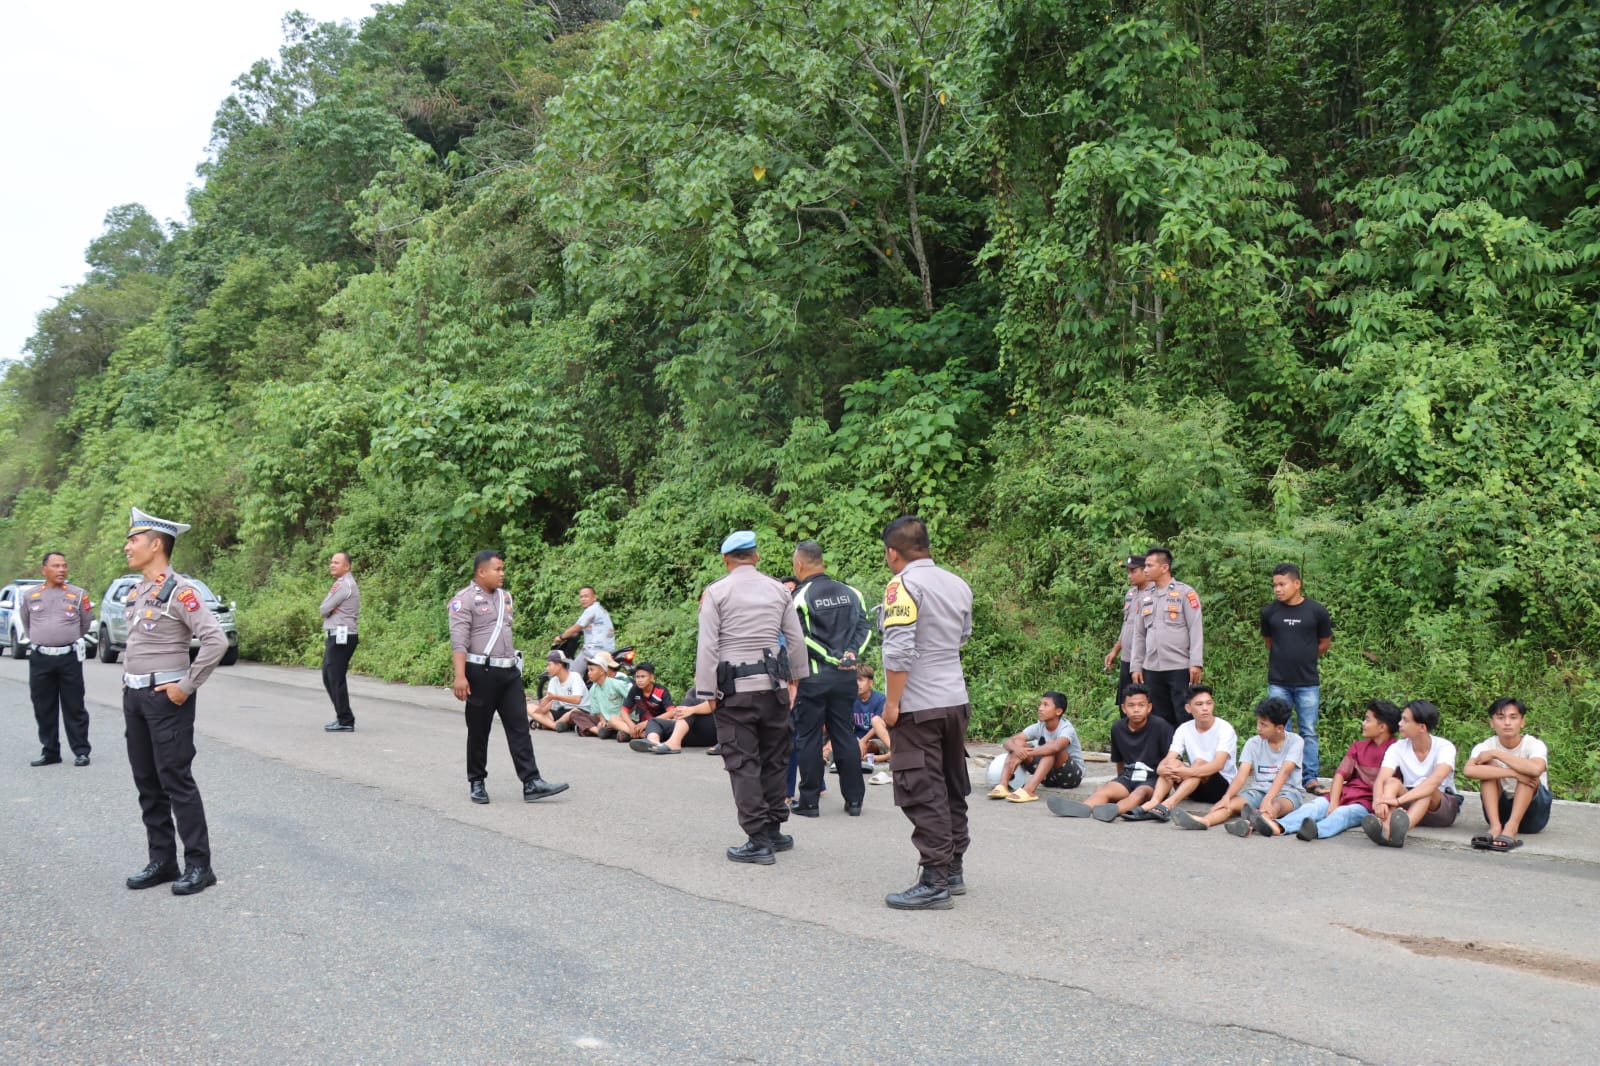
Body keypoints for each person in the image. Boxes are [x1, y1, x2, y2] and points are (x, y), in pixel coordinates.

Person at [118, 507, 229, 896]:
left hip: (167, 700)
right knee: (147, 782)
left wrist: (186, 686)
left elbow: (215, 641)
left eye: (134, 540)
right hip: (136, 697)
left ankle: (199, 865)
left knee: (176, 780)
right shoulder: (138, 591)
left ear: (156, 545)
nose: (127, 546)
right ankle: (163, 861)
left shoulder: (181, 591)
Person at [691, 530, 808, 865]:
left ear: (726, 560)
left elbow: (708, 645)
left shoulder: (716, 592)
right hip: (774, 689)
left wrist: (707, 692)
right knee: (774, 759)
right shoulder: (778, 589)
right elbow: (795, 639)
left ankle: (758, 840)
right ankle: (773, 829)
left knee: (743, 764)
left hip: (735, 693)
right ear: (756, 556)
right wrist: (795, 681)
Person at [447, 550, 568, 806]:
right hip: (481, 672)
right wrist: (460, 676)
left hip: (509, 672)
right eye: (497, 569)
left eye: (503, 569)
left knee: (519, 726)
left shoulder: (505, 597)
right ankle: (477, 782)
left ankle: (531, 782)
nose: (502, 574)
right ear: (482, 572)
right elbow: (459, 642)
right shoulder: (463, 600)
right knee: (479, 730)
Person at [790, 540, 873, 818]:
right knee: (844, 735)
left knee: (809, 737)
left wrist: (830, 656)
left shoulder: (799, 597)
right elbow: (864, 628)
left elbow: (799, 638)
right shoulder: (851, 592)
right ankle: (855, 801)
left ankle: (809, 802)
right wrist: (851, 655)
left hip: (814, 678)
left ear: (799, 564)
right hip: (846, 678)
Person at [1269, 699, 1400, 841]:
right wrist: (1333, 802)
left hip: (1366, 803)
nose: (1363, 723)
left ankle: (1315, 830)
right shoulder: (1359, 747)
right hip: (1346, 793)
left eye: (1368, 720)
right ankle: (1279, 826)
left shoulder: (1397, 750)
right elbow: (1340, 775)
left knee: (1343, 814)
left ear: (1382, 727)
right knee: (1315, 806)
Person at [1171, 697, 1304, 835]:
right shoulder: (1253, 743)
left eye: (1264, 725)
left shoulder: (1295, 742)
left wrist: (1268, 798)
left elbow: (1284, 772)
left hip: (1287, 792)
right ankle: (1204, 821)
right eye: (1258, 723)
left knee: (1274, 806)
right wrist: (1227, 796)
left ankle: (1250, 825)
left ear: (1279, 728)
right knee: (1229, 805)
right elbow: (1241, 775)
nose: (1258, 728)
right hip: (1258, 791)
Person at [1047, 686, 1172, 822]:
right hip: (1128, 776)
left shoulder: (1161, 726)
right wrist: (1119, 782)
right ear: (1124, 708)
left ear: (1149, 707)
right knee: (1104, 791)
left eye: (1141, 705)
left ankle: (1115, 810)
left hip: (1153, 779)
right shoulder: (1118, 728)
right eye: (1131, 705)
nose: (1136, 709)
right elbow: (1119, 761)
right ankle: (1083, 808)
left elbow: (1170, 760)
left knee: (1139, 794)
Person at [1260, 563, 1333, 794]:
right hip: (1278, 682)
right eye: (1275, 585)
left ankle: (1309, 778)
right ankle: (1283, 777)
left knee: (1308, 730)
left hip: (1307, 682)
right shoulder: (1269, 612)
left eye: (1282, 584)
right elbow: (1270, 642)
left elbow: (1324, 643)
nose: (1277, 589)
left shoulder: (1316, 611)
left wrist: (1306, 657)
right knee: (1280, 729)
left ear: (1297, 583)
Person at [1123, 684, 1237, 822]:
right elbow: (1170, 757)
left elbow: (1218, 764)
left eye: (1209, 703)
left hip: (1221, 789)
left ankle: (1168, 804)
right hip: (1193, 786)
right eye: (1199, 704)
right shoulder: (1184, 729)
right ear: (1188, 708)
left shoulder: (1224, 729)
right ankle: (1154, 802)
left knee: (1199, 762)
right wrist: (1162, 768)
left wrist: (1187, 772)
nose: (1205, 708)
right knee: (1173, 762)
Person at [23, 551, 93, 768]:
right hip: (40, 659)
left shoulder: (78, 594)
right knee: (43, 706)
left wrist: (65, 638)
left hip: (68, 658)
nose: (61, 570)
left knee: (75, 706)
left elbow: (85, 624)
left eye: (64, 565)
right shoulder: (30, 596)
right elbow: (27, 623)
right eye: (56, 566)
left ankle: (81, 751)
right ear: (43, 570)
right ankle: (50, 751)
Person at [1364, 699, 1462, 847]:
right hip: (1411, 803)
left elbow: (1435, 781)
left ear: (1422, 727)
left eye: (1405, 720)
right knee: (1391, 782)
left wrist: (1398, 801)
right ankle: (1387, 829)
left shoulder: (1444, 747)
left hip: (1441, 807)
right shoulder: (1397, 747)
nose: (1399, 724)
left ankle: (1399, 831)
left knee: (1425, 787)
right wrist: (1379, 801)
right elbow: (1382, 778)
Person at [1462, 697, 1551, 852]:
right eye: (1501, 717)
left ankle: (1511, 829)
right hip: (1500, 811)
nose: (1507, 723)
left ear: (1522, 722)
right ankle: (1495, 827)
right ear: (1492, 722)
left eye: (1513, 717)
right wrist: (1513, 773)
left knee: (1528, 772)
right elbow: (1468, 770)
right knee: (1487, 767)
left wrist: (1497, 754)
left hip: (1533, 815)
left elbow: (1537, 769)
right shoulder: (1485, 745)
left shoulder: (1534, 744)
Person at [1128, 546, 1203, 727]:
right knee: (1158, 718)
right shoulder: (1144, 597)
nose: (1145, 570)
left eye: (1149, 566)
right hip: (1152, 667)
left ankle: (1186, 746)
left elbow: (1195, 628)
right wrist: (1136, 665)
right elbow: (1139, 634)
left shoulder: (1185, 593)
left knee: (1184, 714)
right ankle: (1165, 746)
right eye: (1145, 566)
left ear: (1164, 567)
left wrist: (1195, 662)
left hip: (1179, 665)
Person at [986, 692, 1083, 803]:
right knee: (1018, 743)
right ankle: (1003, 785)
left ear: (1058, 711)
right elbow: (1008, 742)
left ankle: (1029, 790)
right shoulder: (1039, 726)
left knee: (1050, 746)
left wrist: (1024, 754)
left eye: (1045, 705)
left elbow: (1056, 747)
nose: (1040, 708)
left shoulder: (1066, 728)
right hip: (1047, 777)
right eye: (1040, 704)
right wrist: (1017, 750)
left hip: (1070, 777)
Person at [319, 550, 361, 732]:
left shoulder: (345, 585)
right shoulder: (340, 583)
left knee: (335, 677)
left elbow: (324, 608)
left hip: (343, 636)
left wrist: (329, 608)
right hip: (336, 635)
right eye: (331, 562)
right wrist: (329, 608)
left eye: (336, 562)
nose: (332, 565)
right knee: (329, 676)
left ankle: (345, 720)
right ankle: (342, 717)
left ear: (347, 566)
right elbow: (325, 607)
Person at [1103, 555, 1149, 710]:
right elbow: (1126, 625)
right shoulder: (1130, 594)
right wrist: (1115, 650)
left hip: (1144, 660)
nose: (1129, 576)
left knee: (1143, 703)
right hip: (1127, 657)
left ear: (1145, 570)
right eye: (1128, 572)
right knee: (1125, 702)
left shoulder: (1153, 595)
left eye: (1133, 571)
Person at [569, 651, 633, 737]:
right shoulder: (593, 689)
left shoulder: (617, 683)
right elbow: (598, 711)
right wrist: (602, 720)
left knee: (613, 721)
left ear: (602, 671)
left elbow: (633, 701)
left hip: (620, 719)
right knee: (575, 713)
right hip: (606, 721)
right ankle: (600, 731)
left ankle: (603, 731)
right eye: (588, 670)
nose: (588, 673)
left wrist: (622, 717)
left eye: (592, 670)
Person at [556, 585, 614, 677]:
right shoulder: (600, 609)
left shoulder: (591, 610)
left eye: (586, 596)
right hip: (608, 649)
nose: (583, 599)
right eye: (581, 597)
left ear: (594, 597)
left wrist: (561, 637)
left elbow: (577, 627)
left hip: (594, 650)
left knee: (573, 674)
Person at [629, 695, 719, 753]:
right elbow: (679, 712)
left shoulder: (719, 687)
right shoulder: (693, 691)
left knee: (688, 703)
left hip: (714, 729)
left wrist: (692, 709)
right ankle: (653, 742)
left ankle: (674, 743)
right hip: (690, 731)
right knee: (654, 721)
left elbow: (714, 705)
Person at [527, 650, 587, 731]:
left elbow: (577, 700)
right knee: (528, 707)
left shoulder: (575, 676)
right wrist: (540, 708)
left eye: (549, 665)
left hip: (579, 710)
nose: (547, 668)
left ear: (558, 665)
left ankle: (547, 724)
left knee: (572, 713)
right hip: (562, 710)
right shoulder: (553, 681)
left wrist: (555, 697)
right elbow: (547, 707)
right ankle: (555, 726)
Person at [616, 662, 673, 742]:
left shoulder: (661, 691)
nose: (639, 680)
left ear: (651, 677)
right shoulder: (635, 689)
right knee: (613, 719)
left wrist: (648, 723)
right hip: (640, 725)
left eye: (643, 677)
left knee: (672, 722)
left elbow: (672, 712)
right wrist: (631, 725)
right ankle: (639, 734)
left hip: (657, 725)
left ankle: (634, 734)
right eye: (637, 677)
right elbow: (624, 711)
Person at [854, 664, 891, 776]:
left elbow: (880, 724)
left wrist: (863, 741)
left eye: (861, 680)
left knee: (875, 721)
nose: (857, 684)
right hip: (858, 739)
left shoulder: (880, 699)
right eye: (855, 680)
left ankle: (891, 753)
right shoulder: (851, 700)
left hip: (877, 740)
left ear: (871, 682)